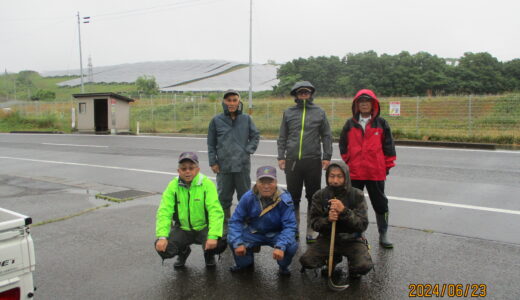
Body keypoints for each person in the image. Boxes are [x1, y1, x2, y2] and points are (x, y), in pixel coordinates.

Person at [339, 89, 397, 248]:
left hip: (375, 171)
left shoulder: (382, 123)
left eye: (367, 101)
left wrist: (387, 165)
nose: (364, 104)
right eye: (361, 101)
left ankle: (383, 233)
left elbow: (389, 146)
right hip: (355, 171)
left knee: (380, 203)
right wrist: (348, 159)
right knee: (354, 203)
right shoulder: (350, 123)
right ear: (357, 105)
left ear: (373, 104)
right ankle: (356, 232)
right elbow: (343, 144)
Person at [277, 81, 333, 243]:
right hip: (292, 161)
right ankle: (294, 227)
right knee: (293, 196)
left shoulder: (319, 112)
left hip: (313, 160)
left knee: (313, 196)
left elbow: (327, 136)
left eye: (306, 92)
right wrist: (281, 156)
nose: (303, 95)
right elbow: (282, 137)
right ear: (295, 94)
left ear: (311, 94)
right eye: (300, 92)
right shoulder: (288, 112)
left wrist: (327, 156)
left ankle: (311, 228)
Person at [299, 161, 373, 278]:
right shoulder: (319, 195)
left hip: (352, 239)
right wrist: (327, 220)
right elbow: (314, 223)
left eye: (339, 176)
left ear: (346, 177)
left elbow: (362, 225)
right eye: (332, 176)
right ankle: (332, 259)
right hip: (328, 239)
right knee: (307, 261)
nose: (335, 181)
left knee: (363, 266)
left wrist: (344, 211)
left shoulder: (357, 195)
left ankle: (352, 264)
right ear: (327, 176)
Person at [155, 152, 226, 268]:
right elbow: (164, 211)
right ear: (178, 171)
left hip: (204, 227)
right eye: (183, 169)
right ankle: (183, 251)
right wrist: (162, 237)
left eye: (191, 168)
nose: (187, 171)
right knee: (163, 248)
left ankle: (209, 254)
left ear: (197, 170)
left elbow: (215, 211)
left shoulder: (207, 184)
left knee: (220, 241)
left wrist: (213, 236)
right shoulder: (173, 185)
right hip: (183, 229)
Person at [228, 166, 298, 276]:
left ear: (276, 182)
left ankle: (283, 266)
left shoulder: (285, 199)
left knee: (291, 246)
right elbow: (235, 221)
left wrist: (280, 246)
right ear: (256, 182)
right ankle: (245, 262)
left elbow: (290, 226)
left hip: (276, 234)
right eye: (262, 182)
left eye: (270, 182)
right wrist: (238, 243)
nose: (266, 186)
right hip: (253, 232)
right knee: (232, 239)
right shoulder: (248, 197)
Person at [208, 89, 260, 223]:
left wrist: (248, 150)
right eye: (228, 100)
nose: (231, 103)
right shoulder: (216, 120)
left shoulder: (246, 119)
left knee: (245, 197)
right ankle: (225, 227)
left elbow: (255, 136)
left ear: (239, 102)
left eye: (234, 100)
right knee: (223, 198)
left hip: (242, 166)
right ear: (224, 102)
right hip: (223, 167)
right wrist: (213, 162)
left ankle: (245, 225)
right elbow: (211, 143)